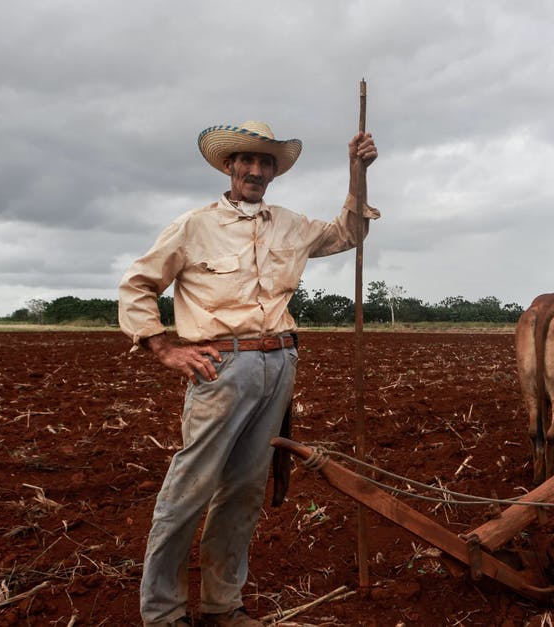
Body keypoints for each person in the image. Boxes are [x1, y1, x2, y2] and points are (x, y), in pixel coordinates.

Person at [118, 120, 379, 627]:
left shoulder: (290, 225)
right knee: (190, 489)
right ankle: (163, 614)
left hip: (279, 362)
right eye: (247, 161)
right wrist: (162, 346)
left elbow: (349, 232)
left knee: (244, 491)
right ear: (229, 166)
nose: (256, 170)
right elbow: (137, 284)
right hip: (221, 367)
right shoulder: (193, 226)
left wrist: (358, 171)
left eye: (266, 163)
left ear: (273, 173)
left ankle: (221, 608)